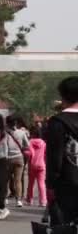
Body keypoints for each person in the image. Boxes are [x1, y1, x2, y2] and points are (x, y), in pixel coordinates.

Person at [46, 77, 78, 226]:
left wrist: (50, 185)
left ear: (62, 95)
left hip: (66, 185)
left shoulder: (57, 122)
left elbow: (54, 158)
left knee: (64, 226)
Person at [5, 115, 30, 207]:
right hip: (19, 158)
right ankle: (18, 200)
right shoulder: (21, 133)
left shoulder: (4, 133)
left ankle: (5, 198)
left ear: (7, 123)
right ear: (16, 123)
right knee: (18, 180)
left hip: (7, 158)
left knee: (6, 180)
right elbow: (27, 145)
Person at [26, 126, 47, 207]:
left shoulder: (30, 141)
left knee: (30, 183)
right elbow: (46, 154)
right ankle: (43, 201)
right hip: (42, 165)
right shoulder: (44, 143)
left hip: (32, 165)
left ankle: (29, 200)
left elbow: (29, 153)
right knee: (41, 184)